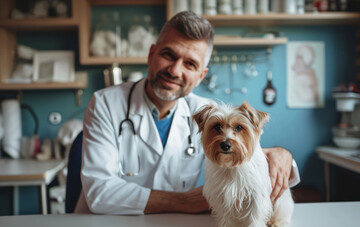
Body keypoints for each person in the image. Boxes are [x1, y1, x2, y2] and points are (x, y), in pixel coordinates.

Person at [74, 11, 300, 215]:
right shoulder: (105, 103)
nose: (175, 70)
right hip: (105, 226)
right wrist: (185, 202)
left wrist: (282, 155)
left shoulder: (206, 113)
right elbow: (99, 192)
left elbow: (246, 155)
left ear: (201, 76)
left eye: (190, 64)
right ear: (151, 54)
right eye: (168, 55)